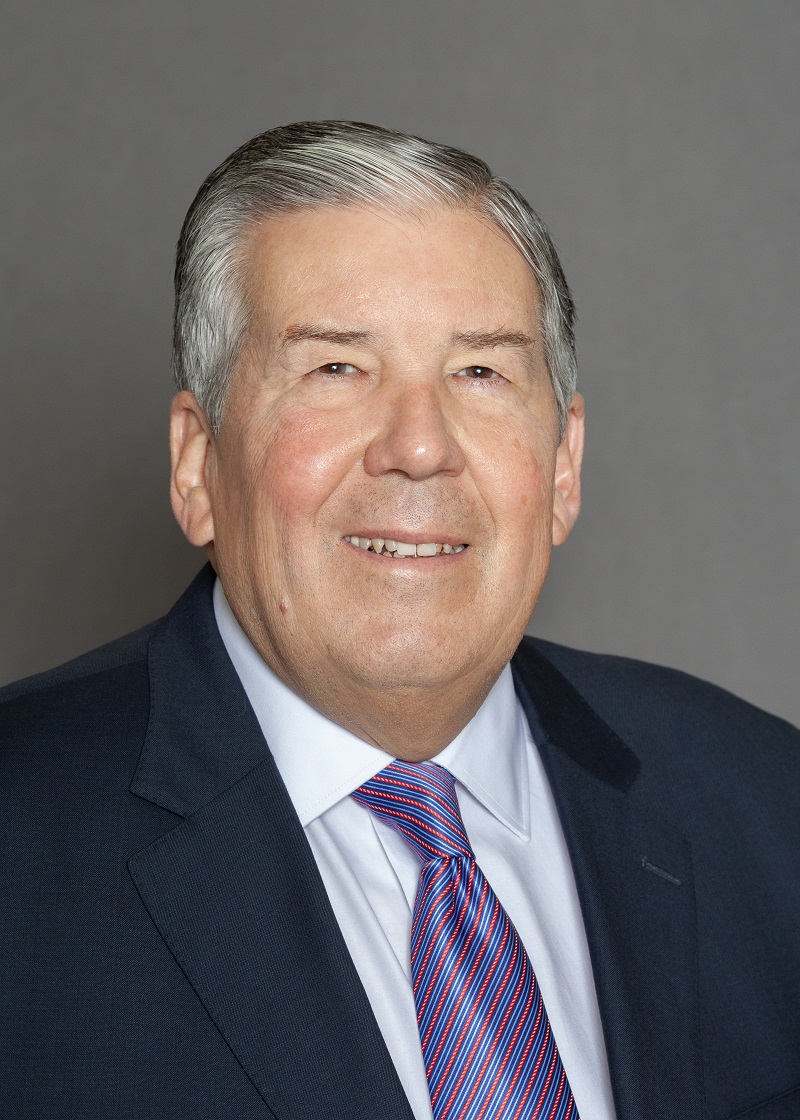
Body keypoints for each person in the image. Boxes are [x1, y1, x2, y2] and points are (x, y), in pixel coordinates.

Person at [1, 121, 798, 1120]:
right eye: (335, 368)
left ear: (561, 466)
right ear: (197, 465)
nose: (419, 448)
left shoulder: (765, 806)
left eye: (479, 373)